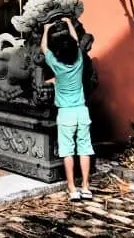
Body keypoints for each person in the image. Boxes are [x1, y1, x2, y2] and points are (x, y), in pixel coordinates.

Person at [41, 17, 94, 201]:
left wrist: (47, 29)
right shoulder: (79, 60)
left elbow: (44, 49)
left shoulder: (57, 65)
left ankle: (72, 188)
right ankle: (86, 187)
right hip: (81, 111)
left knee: (68, 152)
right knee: (85, 149)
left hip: (65, 114)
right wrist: (69, 22)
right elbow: (76, 41)